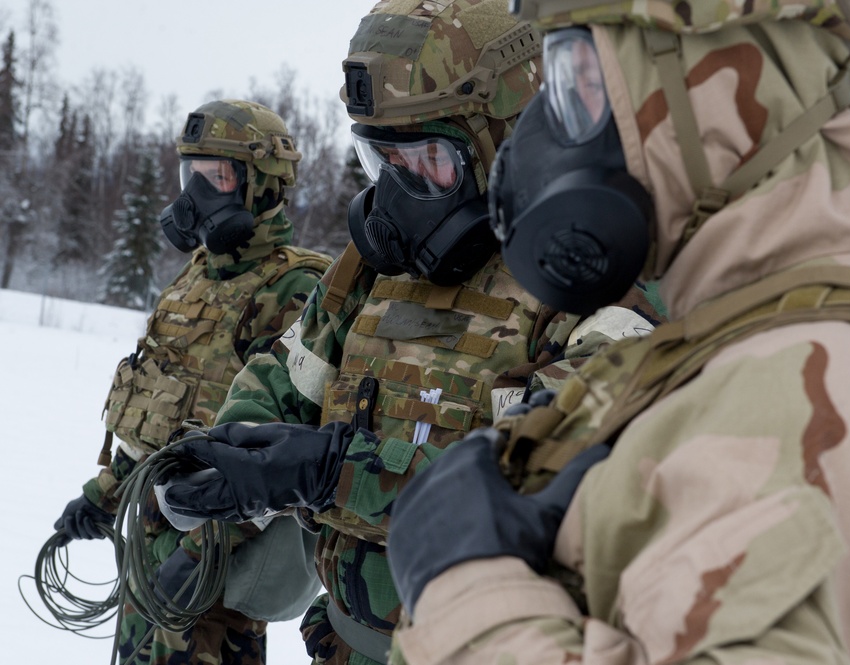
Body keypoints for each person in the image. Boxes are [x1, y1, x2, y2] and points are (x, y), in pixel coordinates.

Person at [378, 1, 850, 664]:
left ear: (711, 94)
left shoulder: (836, 390)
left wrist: (470, 593)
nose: (549, 130)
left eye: (581, 82)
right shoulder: (757, 345)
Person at [151, 1, 667, 664]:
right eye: (381, 161)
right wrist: (232, 462)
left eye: (428, 160)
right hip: (344, 639)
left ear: (506, 142)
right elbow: (288, 378)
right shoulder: (369, 268)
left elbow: (543, 487)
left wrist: (331, 471)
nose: (398, 195)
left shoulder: (594, 282)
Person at [51, 99, 332, 665]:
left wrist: (206, 549)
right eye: (191, 174)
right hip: (149, 553)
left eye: (217, 177)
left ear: (262, 185)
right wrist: (104, 494)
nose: (194, 195)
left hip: (216, 579)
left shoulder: (296, 289)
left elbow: (275, 459)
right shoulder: (196, 278)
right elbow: (160, 413)